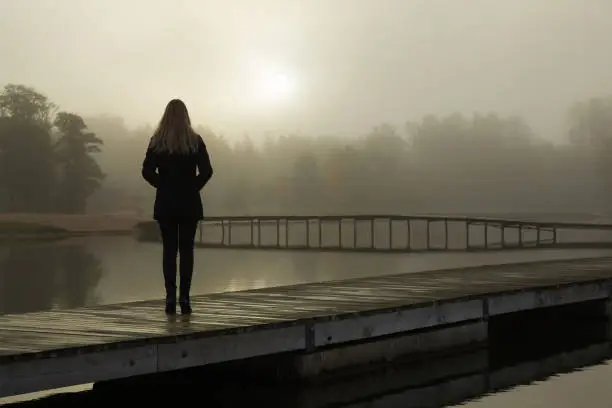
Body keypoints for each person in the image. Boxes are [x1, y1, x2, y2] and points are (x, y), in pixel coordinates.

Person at [141, 99, 213, 315]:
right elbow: (207, 170)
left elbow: (146, 171)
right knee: (187, 250)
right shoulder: (195, 141)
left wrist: (163, 186)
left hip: (166, 203)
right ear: (185, 115)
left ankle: (170, 299)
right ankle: (185, 299)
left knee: (169, 251)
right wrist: (193, 187)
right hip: (189, 202)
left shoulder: (157, 142)